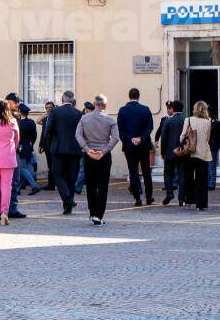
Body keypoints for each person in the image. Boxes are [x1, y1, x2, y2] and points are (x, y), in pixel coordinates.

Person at [75, 94, 120, 225]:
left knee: (91, 185)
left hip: (89, 154)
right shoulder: (110, 120)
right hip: (103, 155)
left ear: (95, 104)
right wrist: (104, 151)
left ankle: (92, 212)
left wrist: (87, 149)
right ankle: (98, 216)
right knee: (102, 186)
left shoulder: (84, 118)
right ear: (105, 105)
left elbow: (78, 135)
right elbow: (116, 138)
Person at [48, 91, 84, 215]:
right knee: (71, 178)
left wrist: (50, 145)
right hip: (74, 149)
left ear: (62, 99)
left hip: (58, 149)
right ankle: (68, 206)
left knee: (57, 175)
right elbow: (81, 132)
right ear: (72, 100)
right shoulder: (78, 113)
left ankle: (68, 199)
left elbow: (49, 130)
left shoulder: (55, 111)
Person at [117, 88, 154, 206]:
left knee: (133, 172)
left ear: (129, 96)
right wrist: (141, 138)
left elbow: (121, 129)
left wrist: (131, 139)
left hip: (129, 146)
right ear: (139, 96)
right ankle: (149, 197)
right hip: (143, 145)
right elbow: (150, 127)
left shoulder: (122, 110)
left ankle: (137, 198)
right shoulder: (145, 109)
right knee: (146, 171)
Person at [180, 101, 212, 211]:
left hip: (189, 152)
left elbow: (182, 137)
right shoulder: (207, 122)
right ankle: (201, 204)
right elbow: (207, 138)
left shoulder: (188, 120)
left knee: (188, 177)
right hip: (202, 153)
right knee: (201, 180)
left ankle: (189, 199)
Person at [2, 93, 29, 220]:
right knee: (0, 183)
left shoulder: (15, 116)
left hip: (13, 153)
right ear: (8, 101)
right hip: (4, 154)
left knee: (14, 182)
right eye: (15, 102)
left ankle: (12, 208)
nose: (18, 104)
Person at [155, 101, 185, 205]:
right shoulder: (186, 120)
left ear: (173, 108)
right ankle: (181, 198)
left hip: (169, 152)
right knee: (182, 175)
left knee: (168, 174)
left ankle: (169, 193)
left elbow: (164, 139)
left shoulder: (168, 121)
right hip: (183, 152)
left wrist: (162, 153)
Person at [15, 103, 42, 195]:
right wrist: (31, 144)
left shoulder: (18, 123)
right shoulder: (31, 122)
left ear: (20, 112)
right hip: (28, 147)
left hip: (20, 147)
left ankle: (34, 186)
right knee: (26, 168)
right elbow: (34, 135)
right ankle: (17, 188)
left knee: (22, 169)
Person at [38, 101, 56, 190]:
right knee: (50, 166)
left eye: (50, 107)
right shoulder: (46, 119)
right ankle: (51, 185)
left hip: (54, 146)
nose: (49, 109)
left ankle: (53, 184)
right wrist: (41, 145)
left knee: (54, 166)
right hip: (47, 146)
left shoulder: (56, 118)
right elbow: (42, 132)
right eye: (47, 108)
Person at [207, 117, 220, 190]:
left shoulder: (215, 123)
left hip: (213, 146)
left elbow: (219, 135)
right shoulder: (205, 121)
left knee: (212, 165)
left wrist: (218, 146)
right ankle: (207, 182)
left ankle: (212, 183)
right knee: (207, 166)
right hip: (205, 147)